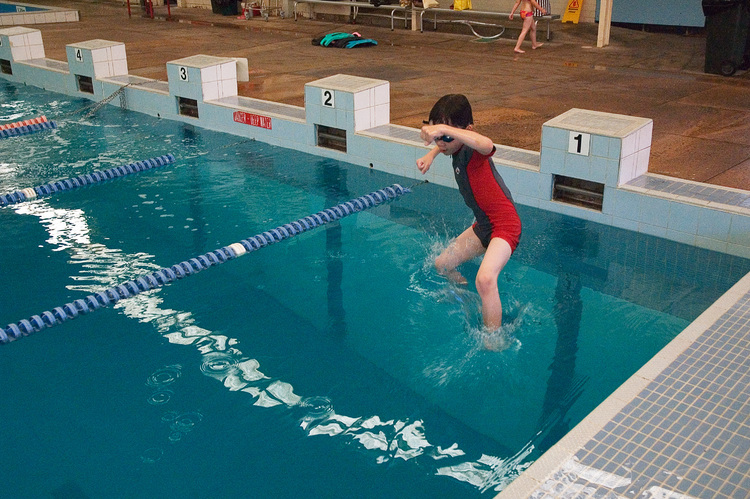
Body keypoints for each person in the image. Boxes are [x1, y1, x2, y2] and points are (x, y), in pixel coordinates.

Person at [416, 94, 522, 331]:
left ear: (467, 130)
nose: (441, 142)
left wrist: (445, 130)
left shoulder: (476, 150)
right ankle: (471, 297)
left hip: (505, 226)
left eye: (446, 136)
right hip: (484, 226)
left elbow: (487, 144)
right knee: (442, 265)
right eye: (437, 136)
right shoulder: (453, 146)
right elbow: (446, 145)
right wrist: (431, 154)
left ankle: (493, 337)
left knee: (485, 279)